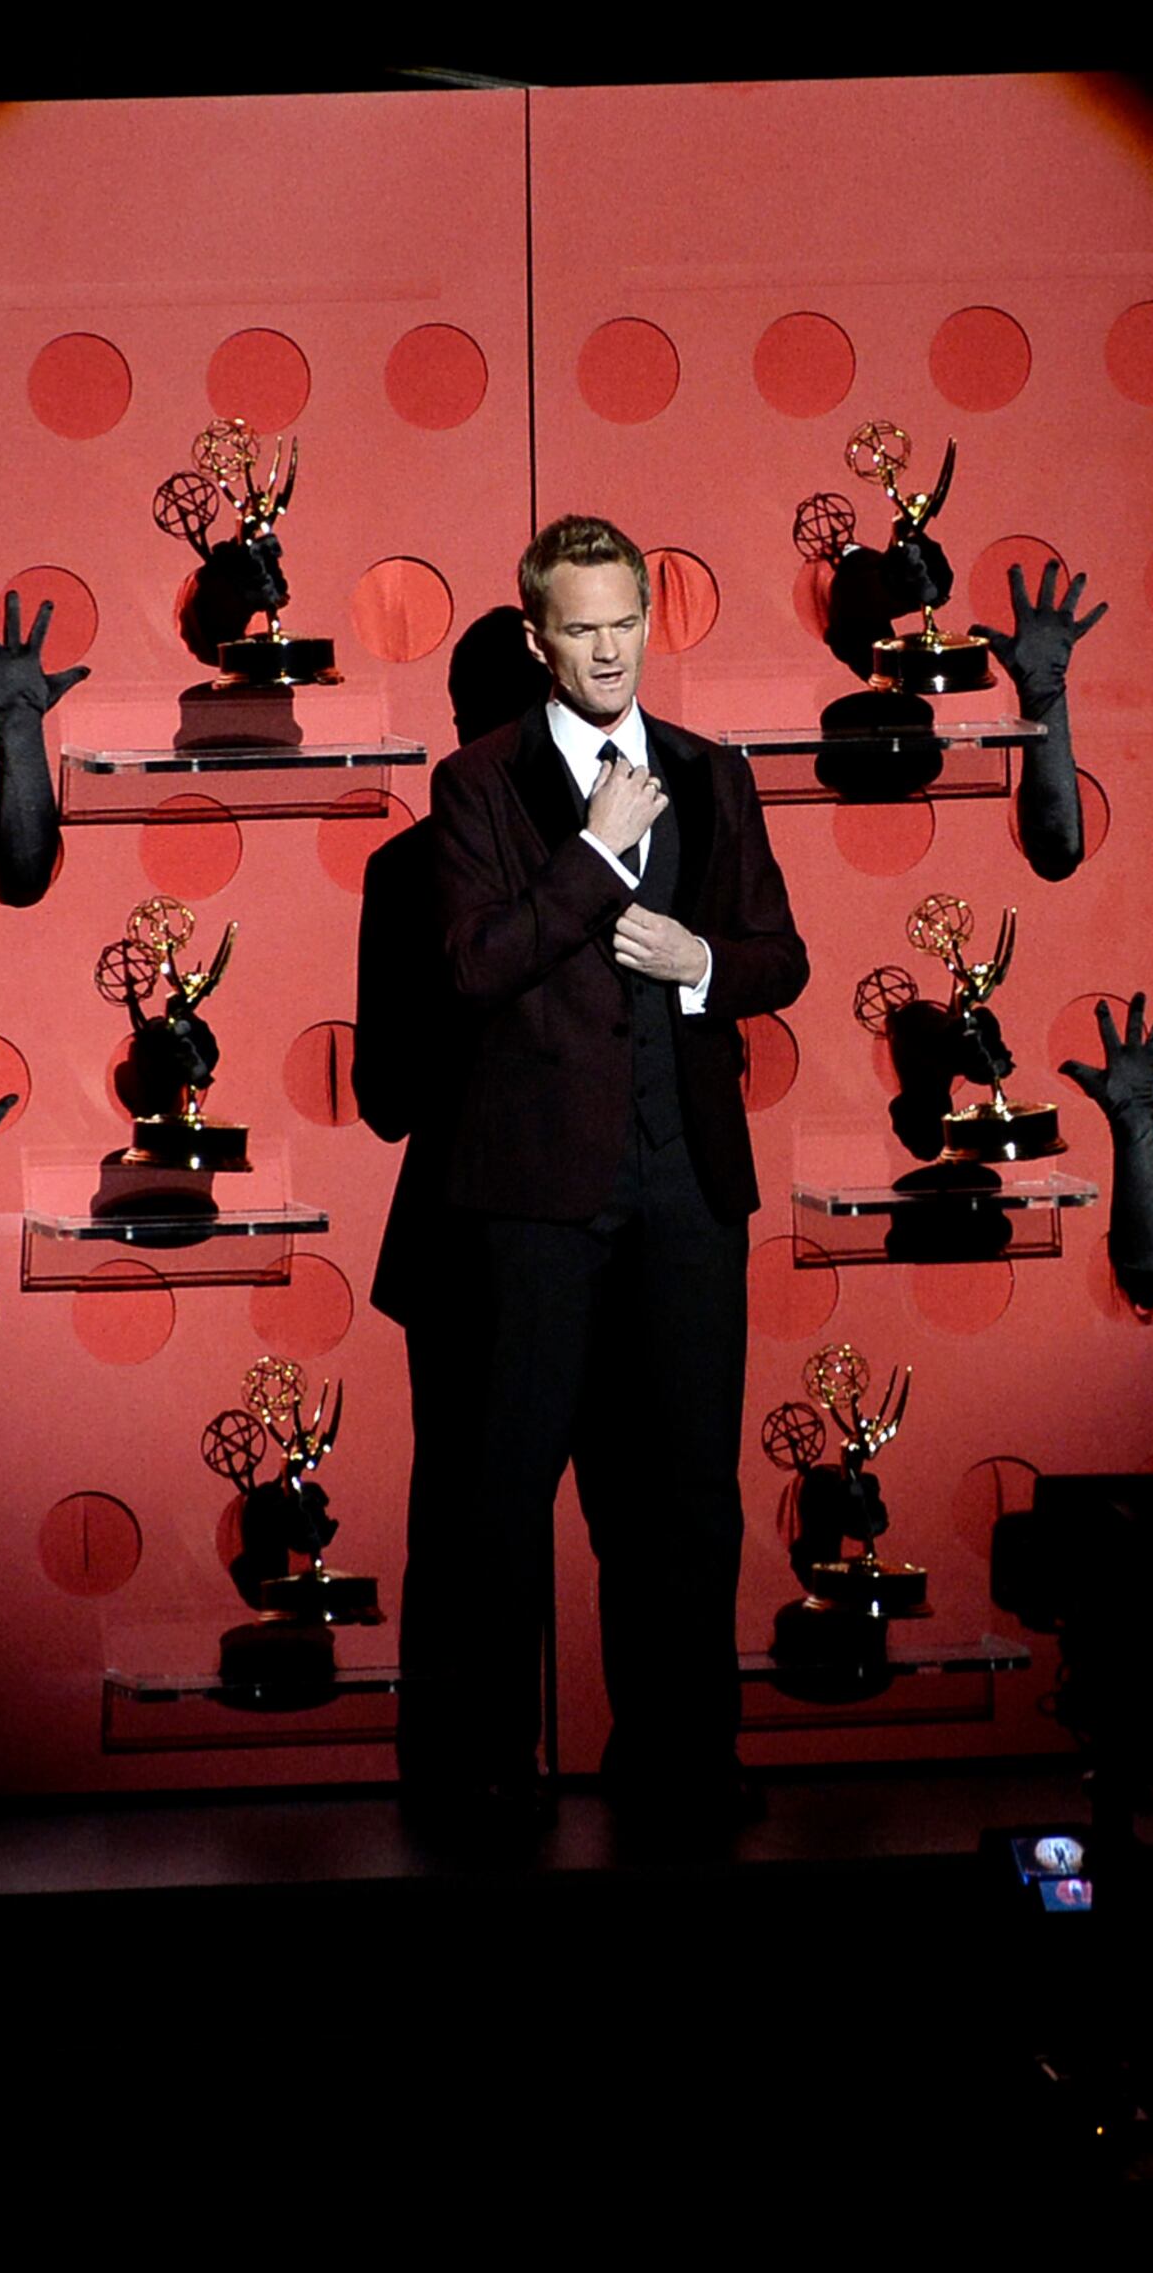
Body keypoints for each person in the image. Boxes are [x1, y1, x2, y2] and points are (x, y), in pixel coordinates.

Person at [402, 517, 811, 1844]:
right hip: (531, 1194)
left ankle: (681, 1760)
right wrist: (591, 853)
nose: (607, 650)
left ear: (650, 619)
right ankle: (483, 1776)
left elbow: (777, 955)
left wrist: (697, 964)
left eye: (624, 623)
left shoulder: (710, 770)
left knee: (685, 1495)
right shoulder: (477, 787)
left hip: (685, 1179)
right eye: (579, 629)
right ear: (538, 642)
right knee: (501, 1496)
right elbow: (471, 966)